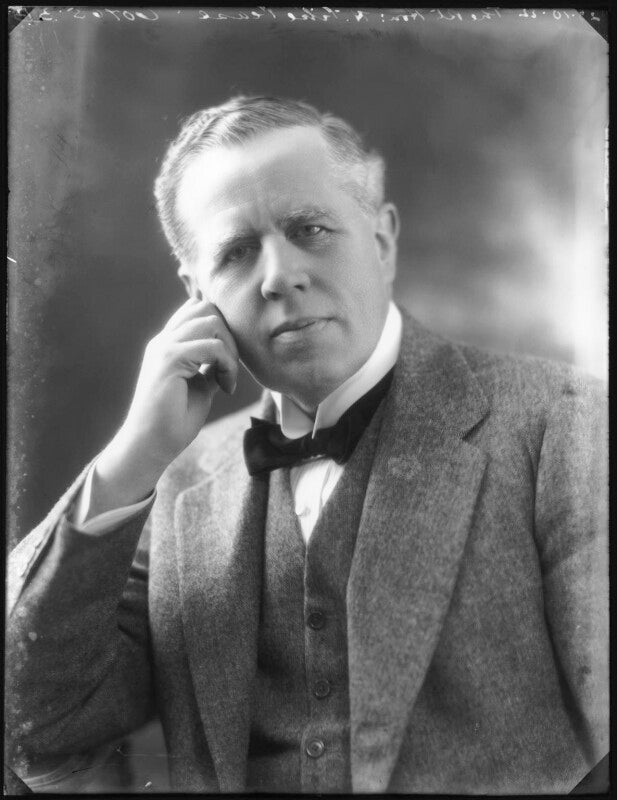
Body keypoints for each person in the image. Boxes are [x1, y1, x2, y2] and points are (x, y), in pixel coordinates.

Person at [6, 96, 608, 794]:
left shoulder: (561, 422)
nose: (277, 277)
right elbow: (33, 724)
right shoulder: (174, 482)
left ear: (382, 242)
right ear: (196, 294)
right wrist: (132, 456)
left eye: (310, 229)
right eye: (236, 253)